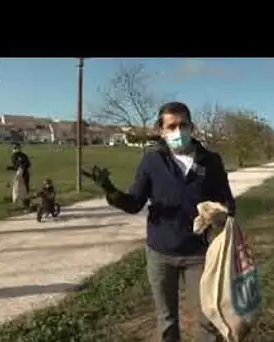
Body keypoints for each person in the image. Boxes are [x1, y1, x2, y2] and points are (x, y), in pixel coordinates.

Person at [88, 101, 235, 342]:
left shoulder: (211, 161)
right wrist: (109, 189)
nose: (178, 131)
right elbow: (134, 203)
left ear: (192, 127)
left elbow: (229, 204)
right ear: (161, 130)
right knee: (167, 321)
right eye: (172, 126)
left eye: (183, 125)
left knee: (206, 320)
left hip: (198, 254)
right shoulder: (152, 162)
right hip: (160, 253)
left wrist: (219, 213)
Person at [7, 143, 31, 211]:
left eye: (17, 147)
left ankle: (27, 206)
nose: (15, 149)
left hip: (25, 174)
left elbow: (28, 164)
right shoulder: (13, 156)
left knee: (25, 190)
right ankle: (18, 203)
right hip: (18, 174)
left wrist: (23, 167)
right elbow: (16, 166)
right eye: (14, 148)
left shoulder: (23, 155)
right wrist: (11, 168)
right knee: (17, 189)